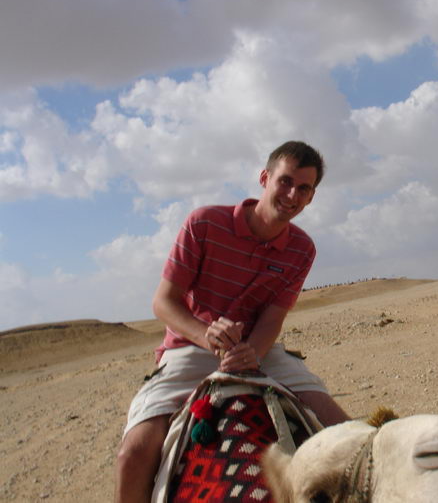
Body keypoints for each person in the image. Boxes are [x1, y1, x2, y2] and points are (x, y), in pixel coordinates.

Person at [115, 141, 349, 503]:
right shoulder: (205, 223)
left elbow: (274, 316)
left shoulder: (302, 248)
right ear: (264, 178)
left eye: (303, 189)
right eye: (285, 182)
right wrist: (207, 336)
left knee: (343, 428)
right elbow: (164, 302)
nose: (291, 195)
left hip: (258, 350)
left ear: (311, 197)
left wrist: (250, 354)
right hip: (190, 348)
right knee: (134, 453)